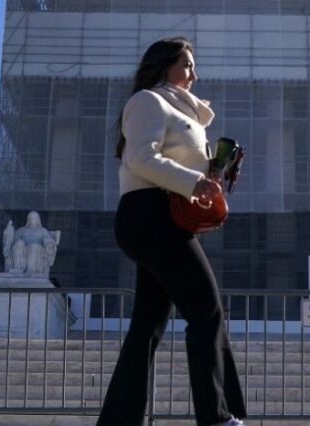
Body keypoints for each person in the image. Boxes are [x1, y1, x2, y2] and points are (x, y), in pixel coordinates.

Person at [97, 37, 246, 426]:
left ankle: (118, 421)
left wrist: (215, 172)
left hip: (161, 217)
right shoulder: (147, 101)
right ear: (165, 65)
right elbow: (141, 158)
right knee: (207, 311)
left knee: (147, 325)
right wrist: (193, 183)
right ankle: (216, 418)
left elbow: (174, 164)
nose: (195, 74)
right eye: (187, 65)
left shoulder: (185, 112)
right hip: (150, 214)